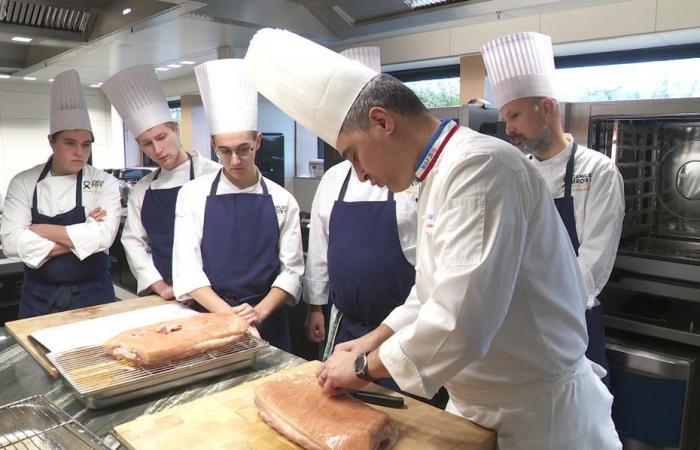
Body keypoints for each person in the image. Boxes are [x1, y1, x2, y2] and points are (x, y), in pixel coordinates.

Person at [244, 28, 621, 449]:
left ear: (382, 121)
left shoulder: (478, 169)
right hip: (477, 407)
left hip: (536, 417)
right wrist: (371, 340)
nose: (361, 174)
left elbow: (460, 321)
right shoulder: (435, 175)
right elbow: (430, 294)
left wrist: (365, 367)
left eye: (353, 155)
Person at [481, 32, 625, 387]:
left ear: (546, 108)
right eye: (505, 118)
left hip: (572, 322)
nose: (509, 129)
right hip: (519, 328)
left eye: (514, 115)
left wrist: (543, 310)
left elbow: (594, 263)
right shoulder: (516, 173)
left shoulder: (599, 170)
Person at [172, 59, 304, 352]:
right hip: (210, 319)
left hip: (267, 321)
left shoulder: (283, 200)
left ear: (258, 141)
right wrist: (229, 316)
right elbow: (188, 271)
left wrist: (257, 314)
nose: (234, 161)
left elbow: (291, 271)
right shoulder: (192, 195)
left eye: (244, 149)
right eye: (224, 151)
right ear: (213, 144)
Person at [0, 69, 120, 318]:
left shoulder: (103, 182)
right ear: (51, 141)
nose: (80, 152)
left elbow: (104, 237)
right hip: (40, 298)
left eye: (86, 144)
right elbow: (11, 242)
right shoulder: (24, 182)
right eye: (70, 143)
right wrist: (82, 236)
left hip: (96, 295)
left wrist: (40, 229)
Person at [102, 65, 220, 299]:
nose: (157, 149)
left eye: (161, 137)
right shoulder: (144, 188)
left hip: (217, 290)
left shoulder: (214, 174)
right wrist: (159, 286)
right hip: (167, 294)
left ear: (176, 130)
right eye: (146, 143)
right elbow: (133, 241)